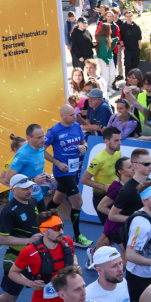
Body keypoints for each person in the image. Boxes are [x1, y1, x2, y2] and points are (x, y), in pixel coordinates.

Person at [45, 104, 92, 247]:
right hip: (62, 172)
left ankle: (39, 220)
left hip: (74, 170)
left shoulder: (76, 126)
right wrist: (57, 163)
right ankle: (77, 237)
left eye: (75, 114)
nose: (75, 117)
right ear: (62, 116)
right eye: (71, 115)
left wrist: (84, 147)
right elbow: (42, 150)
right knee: (78, 203)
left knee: (58, 199)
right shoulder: (54, 131)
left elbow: (84, 142)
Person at [80, 127, 122, 240]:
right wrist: (104, 187)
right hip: (102, 198)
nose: (120, 143)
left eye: (120, 140)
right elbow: (84, 179)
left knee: (113, 232)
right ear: (106, 141)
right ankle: (97, 250)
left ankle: (98, 249)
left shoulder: (118, 153)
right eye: (116, 140)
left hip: (116, 196)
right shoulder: (98, 159)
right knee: (111, 233)